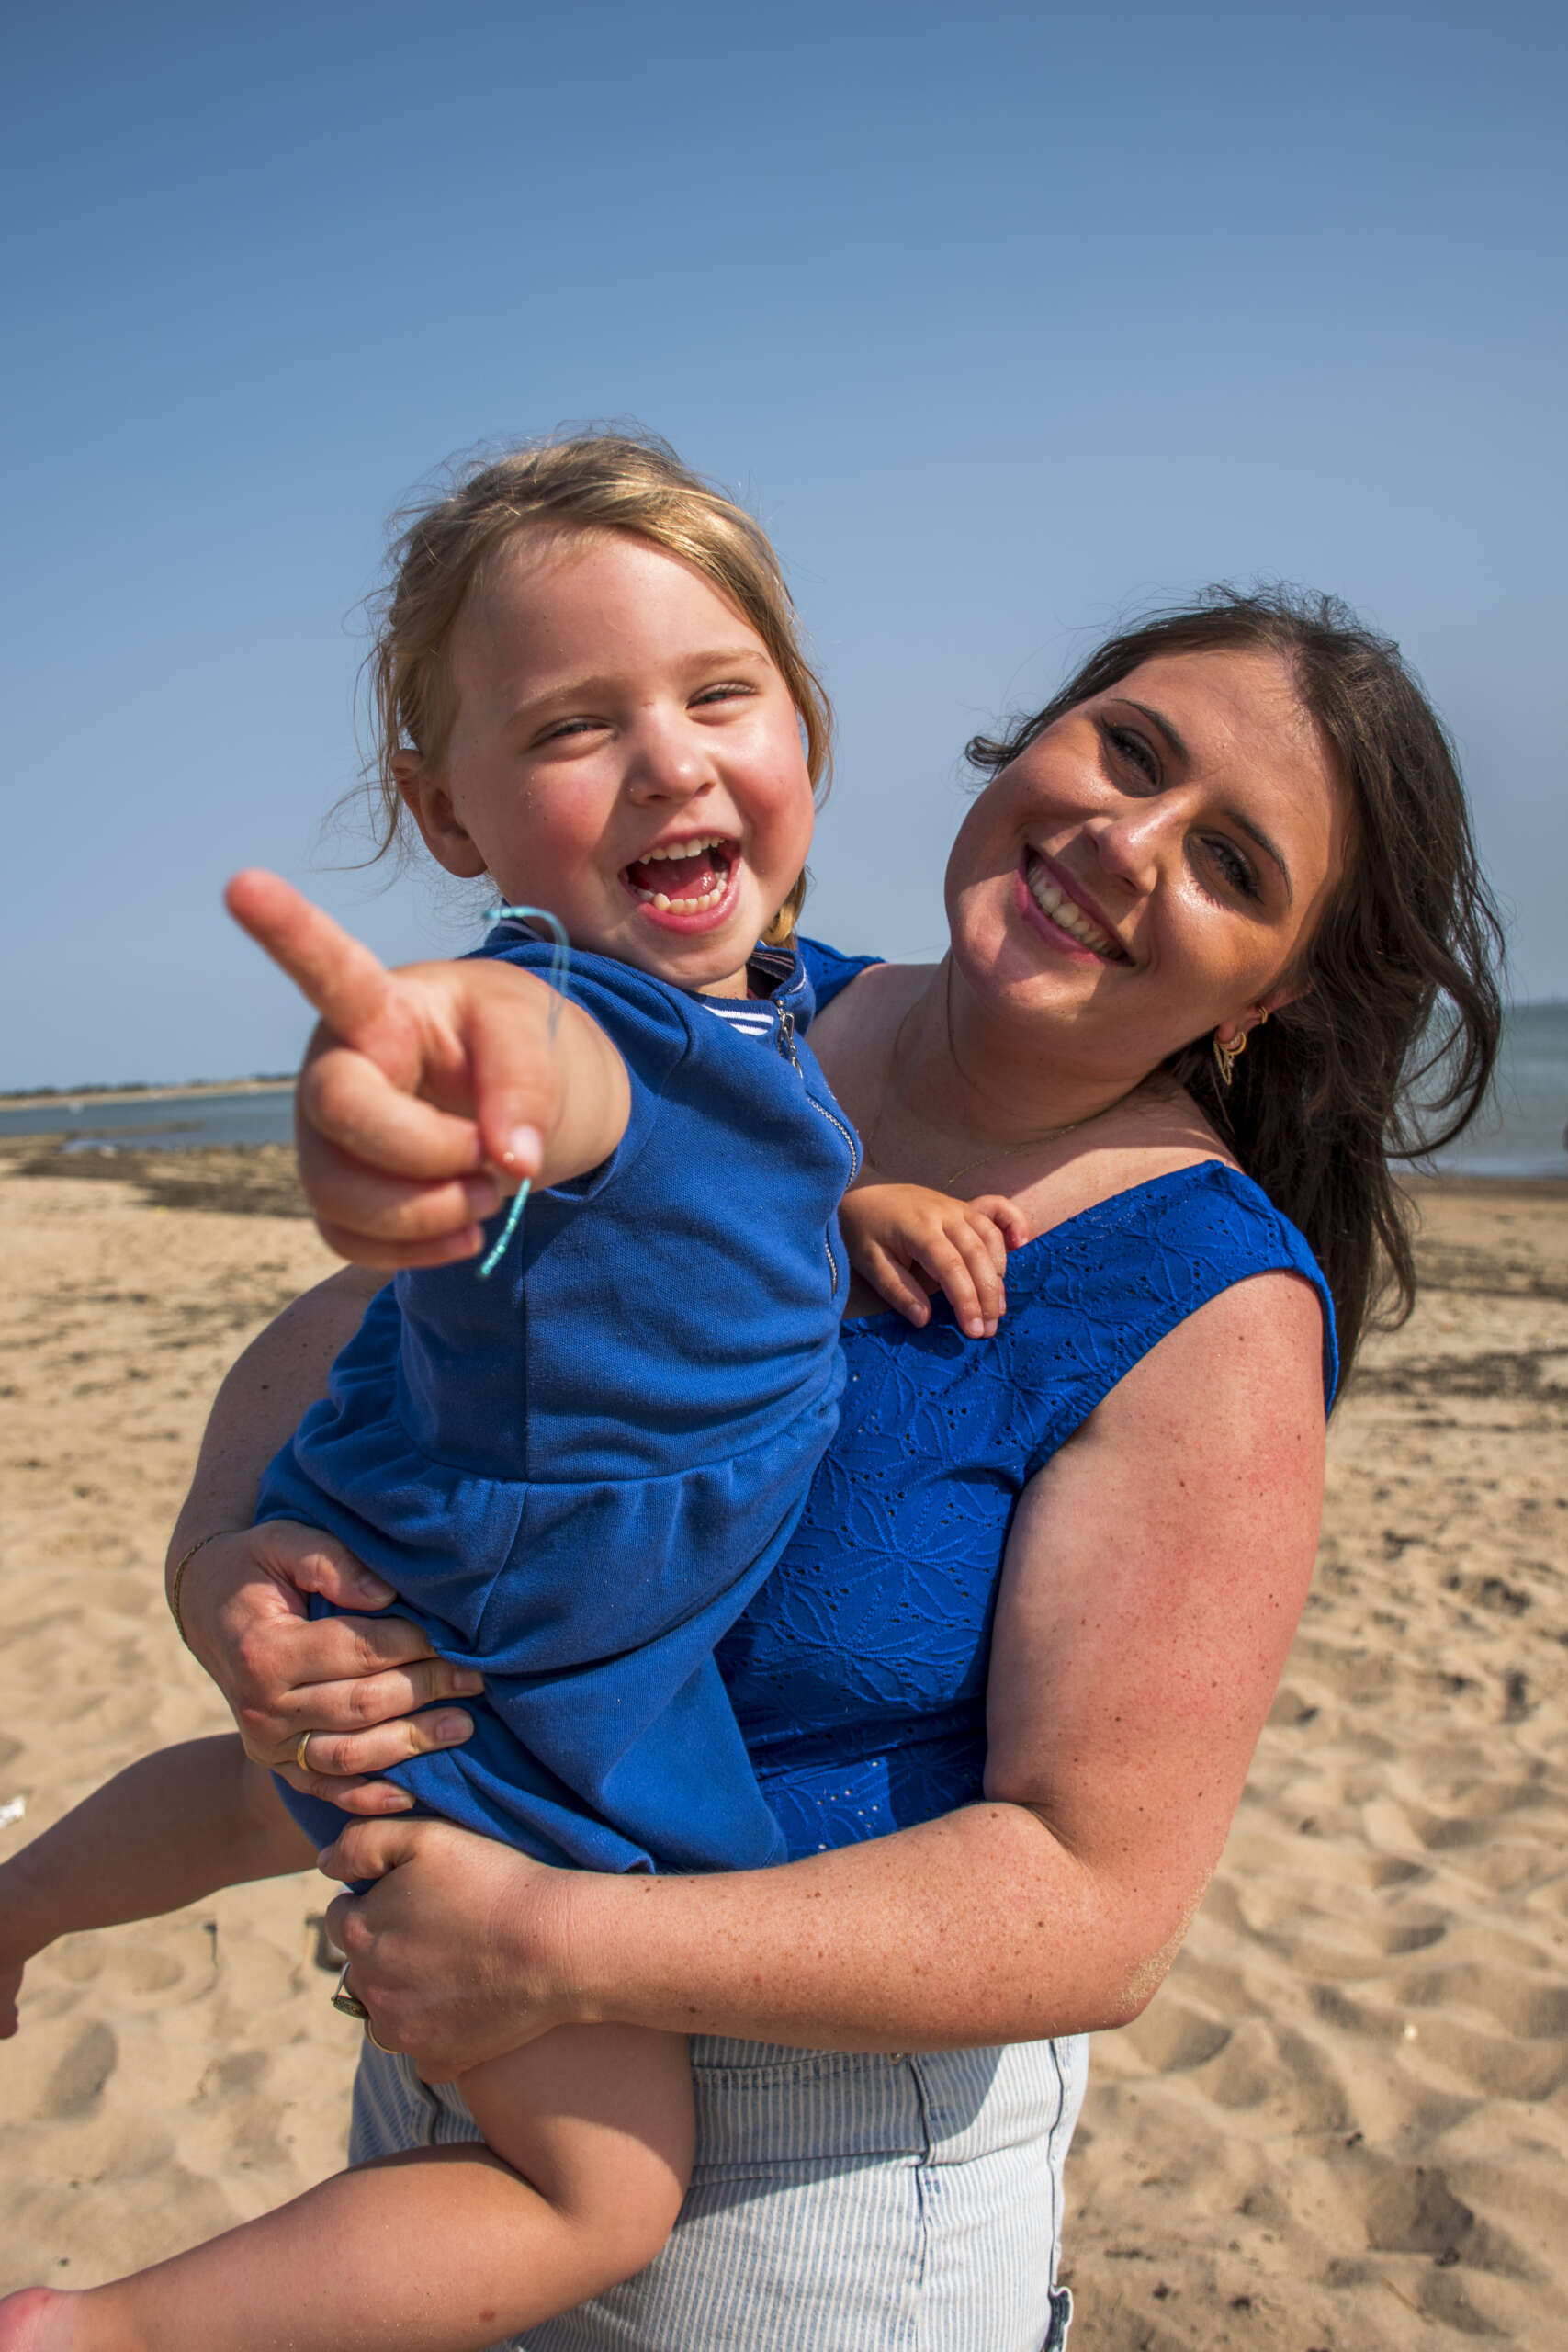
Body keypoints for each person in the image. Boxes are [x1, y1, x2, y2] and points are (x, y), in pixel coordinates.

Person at [28, 576, 1506, 2350]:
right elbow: (362, 1323)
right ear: (1032, 739)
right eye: (1130, 751)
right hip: (438, 2036)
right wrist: (228, 1579)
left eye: (1232, 864)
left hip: (807, 2210)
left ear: (1278, 986)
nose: (1128, 843)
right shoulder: (742, 1007)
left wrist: (549, 1945)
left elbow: (1096, 1910)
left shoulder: (1211, 1303)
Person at [0, 435, 1019, 2352]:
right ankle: (93, 2333)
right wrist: (406, 1079)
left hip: (474, 1570)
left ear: (803, 726)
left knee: (274, 1793)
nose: (667, 760)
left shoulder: (763, 1011)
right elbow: (530, 1063)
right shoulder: (578, 1007)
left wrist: (853, 1202)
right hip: (517, 1647)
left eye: (718, 694)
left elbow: (718, 1193)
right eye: (571, 725)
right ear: (444, 810)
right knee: (596, 2190)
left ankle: (19, 1900)